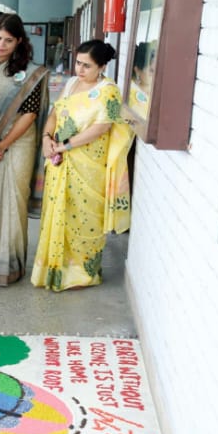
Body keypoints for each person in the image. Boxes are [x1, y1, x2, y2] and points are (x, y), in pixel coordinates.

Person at [32, 39, 132, 292]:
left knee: (85, 216)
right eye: (78, 63)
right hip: (59, 158)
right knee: (58, 213)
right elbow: (56, 113)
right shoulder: (71, 83)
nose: (80, 69)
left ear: (102, 66)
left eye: (87, 65)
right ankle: (55, 270)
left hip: (87, 163)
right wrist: (46, 139)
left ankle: (82, 274)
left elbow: (103, 126)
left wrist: (66, 145)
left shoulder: (108, 89)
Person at [0, 13, 50, 286]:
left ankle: (8, 267)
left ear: (19, 41)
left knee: (13, 202)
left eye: (8, 40)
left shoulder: (30, 73)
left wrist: (2, 145)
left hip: (18, 144)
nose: (1, 45)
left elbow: (29, 116)